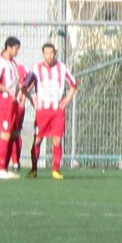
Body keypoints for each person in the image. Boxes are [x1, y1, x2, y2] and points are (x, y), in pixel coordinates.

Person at [25, 43, 77, 179]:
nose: (50, 56)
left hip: (57, 111)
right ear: (43, 54)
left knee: (57, 140)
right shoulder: (36, 69)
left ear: (55, 53)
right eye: (47, 53)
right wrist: (33, 101)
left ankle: (55, 169)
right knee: (37, 140)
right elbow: (24, 86)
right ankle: (34, 168)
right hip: (42, 112)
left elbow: (74, 84)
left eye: (52, 53)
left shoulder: (62, 68)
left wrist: (66, 100)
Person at [0, 36, 21, 179]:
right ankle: (0, 169)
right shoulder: (0, 62)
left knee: (13, 135)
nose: (17, 51)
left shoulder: (13, 63)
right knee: (5, 135)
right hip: (3, 101)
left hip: (12, 102)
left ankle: (5, 168)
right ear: (8, 47)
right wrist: (6, 90)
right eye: (16, 48)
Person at [10, 62, 32, 171]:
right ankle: (7, 162)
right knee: (7, 134)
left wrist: (23, 95)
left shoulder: (20, 68)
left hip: (18, 105)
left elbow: (32, 77)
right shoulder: (5, 67)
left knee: (15, 134)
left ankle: (15, 162)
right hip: (8, 104)